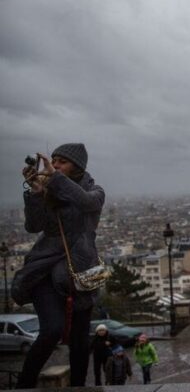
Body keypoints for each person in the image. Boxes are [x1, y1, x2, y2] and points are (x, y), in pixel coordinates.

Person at [12, 144, 105, 389]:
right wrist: (36, 192)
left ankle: (77, 386)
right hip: (45, 269)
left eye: (61, 161)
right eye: (53, 160)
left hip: (79, 270)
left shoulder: (95, 191)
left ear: (77, 166)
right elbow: (33, 226)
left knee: (80, 339)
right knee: (51, 330)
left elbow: (84, 202)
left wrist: (54, 179)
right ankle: (24, 385)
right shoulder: (49, 191)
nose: (54, 165)